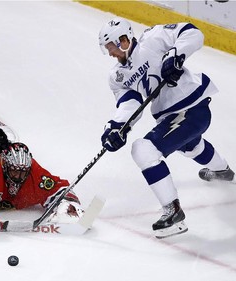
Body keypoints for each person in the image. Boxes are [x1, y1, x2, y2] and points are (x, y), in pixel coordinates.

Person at [98, 17, 234, 238]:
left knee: (144, 149)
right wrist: (116, 128)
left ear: (123, 40)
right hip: (174, 117)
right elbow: (129, 104)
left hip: (192, 108)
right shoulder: (117, 76)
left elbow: (192, 33)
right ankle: (223, 171)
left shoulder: (152, 39)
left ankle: (173, 213)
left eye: (112, 47)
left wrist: (175, 55)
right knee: (191, 146)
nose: (111, 53)